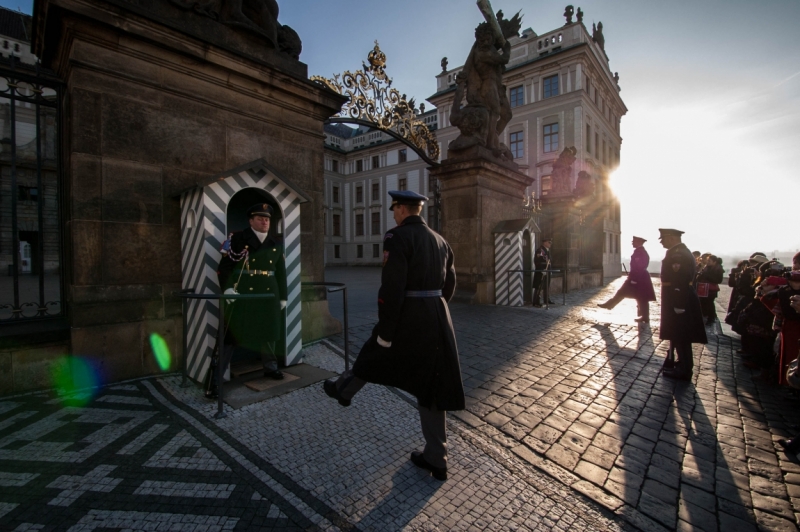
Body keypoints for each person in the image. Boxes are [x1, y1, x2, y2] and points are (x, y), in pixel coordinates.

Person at [322, 190, 465, 481]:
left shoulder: (396, 237)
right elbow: (450, 284)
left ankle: (343, 390)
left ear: (401, 209)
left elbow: (392, 287)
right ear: (419, 210)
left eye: (394, 209)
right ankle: (437, 458)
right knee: (433, 385)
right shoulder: (440, 240)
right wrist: (434, 306)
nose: (393, 214)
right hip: (438, 316)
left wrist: (386, 329)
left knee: (374, 352)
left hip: (407, 315)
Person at [217, 203, 287, 380]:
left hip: (269, 292)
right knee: (231, 335)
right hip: (243, 292)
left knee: (269, 332)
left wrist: (283, 297)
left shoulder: (275, 243)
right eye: (260, 218)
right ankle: (218, 375)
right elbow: (224, 267)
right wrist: (227, 288)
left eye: (267, 219)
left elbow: (281, 272)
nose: (264, 222)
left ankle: (270, 367)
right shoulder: (237, 239)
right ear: (251, 221)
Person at [658, 228, 707, 380]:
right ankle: (679, 363)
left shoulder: (678, 255)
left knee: (681, 335)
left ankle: (684, 369)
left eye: (664, 239)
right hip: (677, 298)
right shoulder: (679, 252)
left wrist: (679, 303)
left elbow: (680, 281)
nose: (662, 243)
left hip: (679, 299)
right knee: (677, 334)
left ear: (672, 238)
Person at [597, 236, 656, 322]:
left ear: (638, 242)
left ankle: (645, 316)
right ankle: (610, 305)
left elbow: (639, 267)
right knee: (638, 297)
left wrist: (634, 280)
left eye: (634, 241)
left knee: (639, 297)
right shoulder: (639, 251)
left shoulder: (640, 253)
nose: (632, 243)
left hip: (639, 279)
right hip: (639, 278)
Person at [696, 255, 724, 325]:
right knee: (703, 302)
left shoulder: (718, 269)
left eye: (709, 261)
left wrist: (707, 276)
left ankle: (711, 318)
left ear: (714, 262)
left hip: (711, 289)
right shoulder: (706, 268)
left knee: (710, 303)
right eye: (707, 260)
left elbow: (718, 280)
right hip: (704, 288)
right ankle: (706, 316)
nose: (707, 262)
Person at [532, 238, 554, 307]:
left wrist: (550, 270)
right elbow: (537, 261)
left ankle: (546, 299)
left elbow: (549, 262)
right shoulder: (540, 250)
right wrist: (541, 270)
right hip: (541, 271)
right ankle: (536, 301)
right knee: (539, 286)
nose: (550, 244)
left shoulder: (547, 250)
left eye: (550, 242)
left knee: (547, 285)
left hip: (547, 270)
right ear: (544, 243)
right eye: (549, 242)